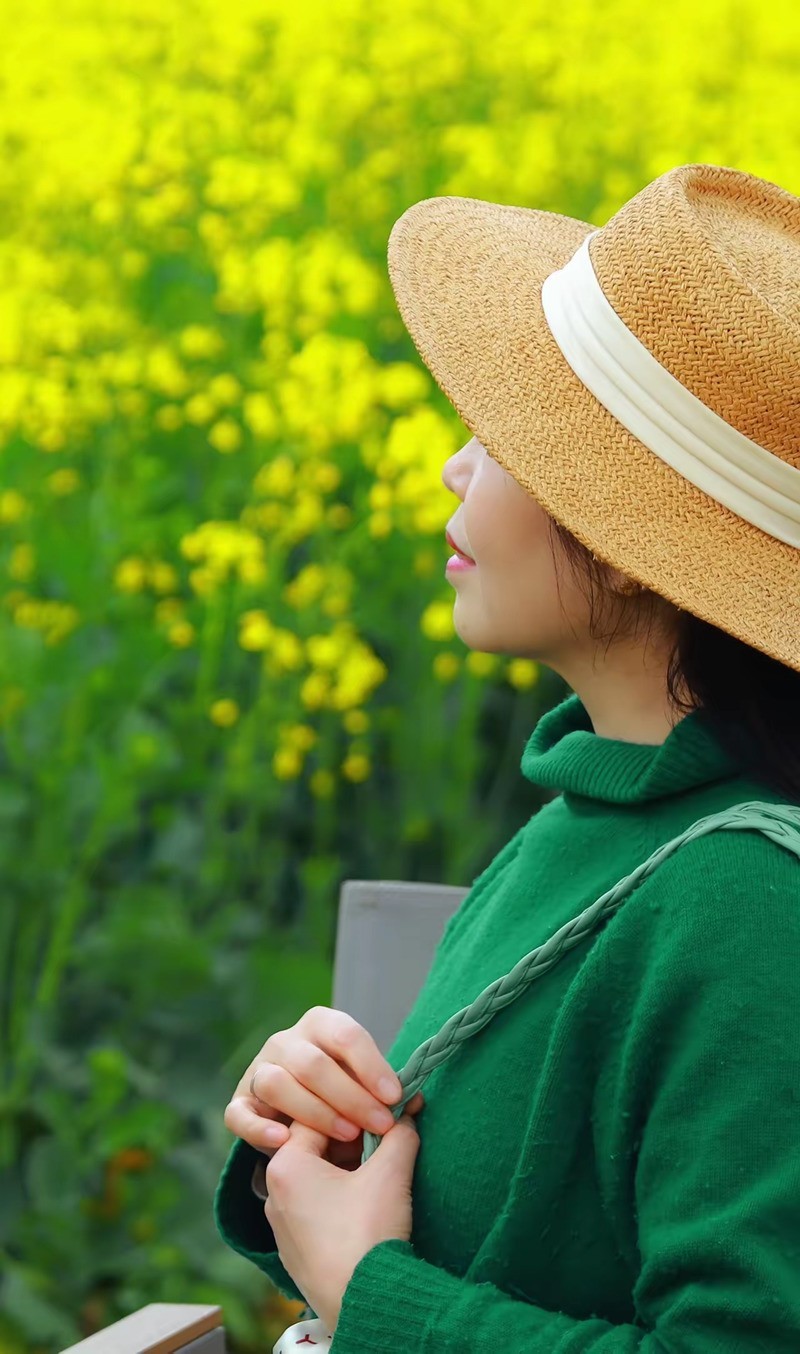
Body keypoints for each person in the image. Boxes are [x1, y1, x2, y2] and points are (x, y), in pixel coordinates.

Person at [213, 162, 800, 1349]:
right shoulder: (594, 810)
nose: (453, 465)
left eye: (503, 431)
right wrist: (306, 1142)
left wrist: (371, 1292)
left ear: (626, 539)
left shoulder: (746, 901)